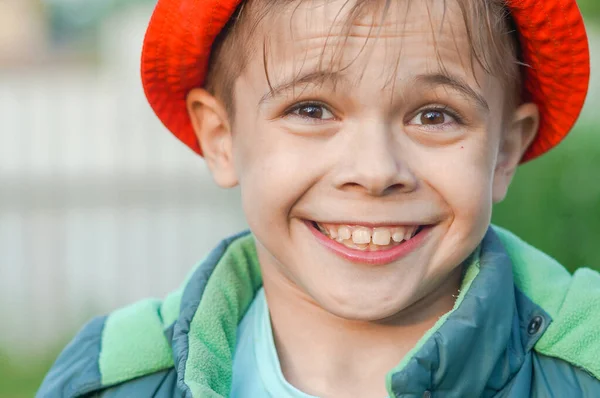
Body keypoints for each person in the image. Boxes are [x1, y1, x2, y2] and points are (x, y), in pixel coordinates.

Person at [38, 0, 599, 397]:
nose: (375, 172)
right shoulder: (113, 379)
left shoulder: (583, 365)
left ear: (503, 152)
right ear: (221, 138)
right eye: (311, 110)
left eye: (435, 115)